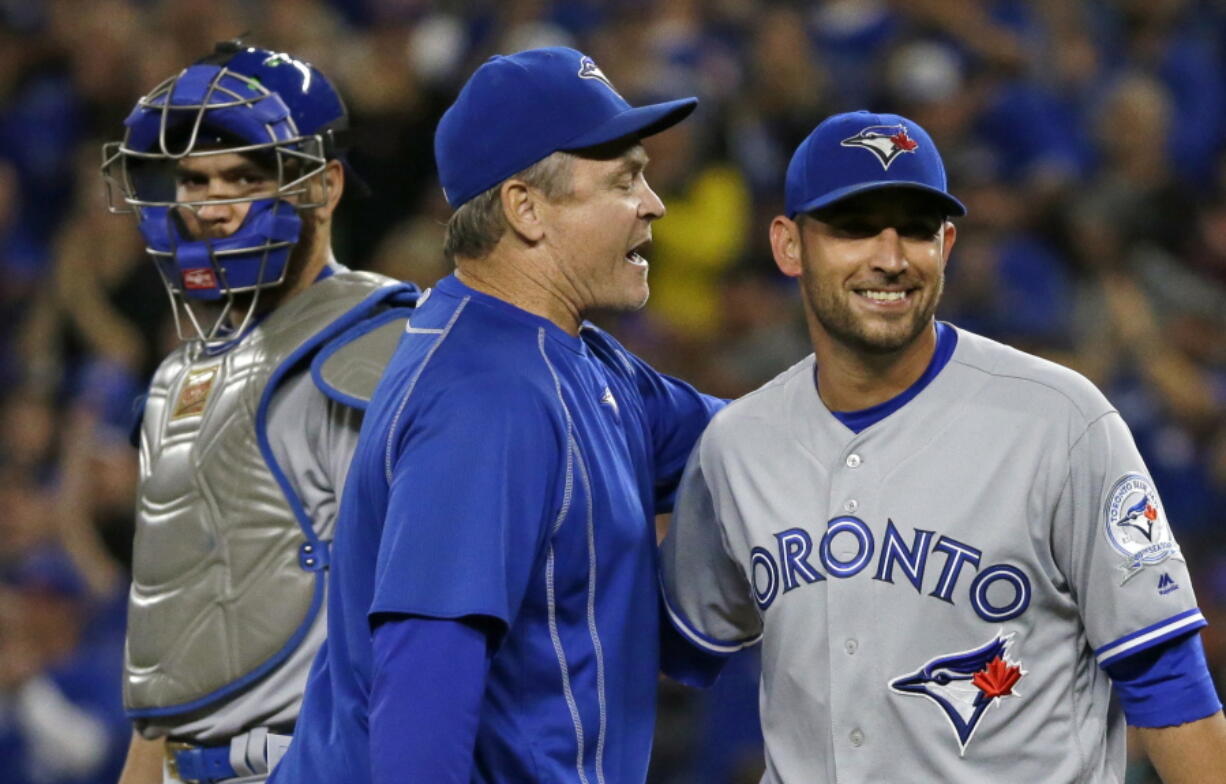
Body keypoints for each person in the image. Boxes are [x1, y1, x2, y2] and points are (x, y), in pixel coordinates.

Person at [659, 110, 1226, 783]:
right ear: (788, 246)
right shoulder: (736, 447)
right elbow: (674, 652)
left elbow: (1170, 685)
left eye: (916, 230)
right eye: (854, 227)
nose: (891, 256)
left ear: (947, 244)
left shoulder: (1062, 422)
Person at [272, 46, 724, 784]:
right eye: (624, 179)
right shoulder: (484, 401)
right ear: (526, 208)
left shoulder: (567, 357)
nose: (654, 202)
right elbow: (421, 704)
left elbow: (745, 441)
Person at [101, 41, 418, 784]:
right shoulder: (178, 376)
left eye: (243, 176)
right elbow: (175, 632)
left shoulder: (387, 344)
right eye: (192, 180)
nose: (211, 206)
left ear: (324, 185)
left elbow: (421, 612)